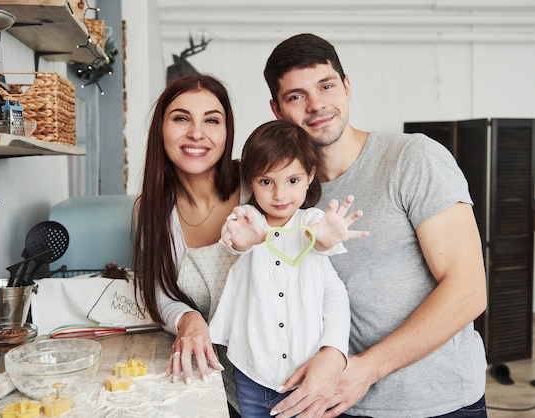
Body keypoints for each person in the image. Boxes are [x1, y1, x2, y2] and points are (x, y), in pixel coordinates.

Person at [262, 34, 488, 418]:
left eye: (326, 86)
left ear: (347, 87)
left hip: (437, 403)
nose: (317, 105)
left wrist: (367, 369)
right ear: (277, 110)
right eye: (296, 96)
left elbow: (468, 291)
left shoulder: (413, 158)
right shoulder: (285, 191)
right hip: (341, 403)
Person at [208, 119, 368, 418]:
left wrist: (326, 237)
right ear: (251, 181)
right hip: (253, 373)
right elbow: (235, 242)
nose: (280, 195)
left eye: (292, 181)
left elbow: (320, 244)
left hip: (308, 374)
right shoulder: (247, 219)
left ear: (310, 175)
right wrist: (245, 242)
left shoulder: (310, 223)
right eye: (267, 182)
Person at [132, 74, 244, 415]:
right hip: (206, 380)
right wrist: (188, 319)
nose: (197, 133)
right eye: (181, 118)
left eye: (212, 120)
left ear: (227, 133)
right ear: (160, 129)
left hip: (280, 380)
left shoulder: (260, 185)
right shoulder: (150, 210)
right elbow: (157, 292)